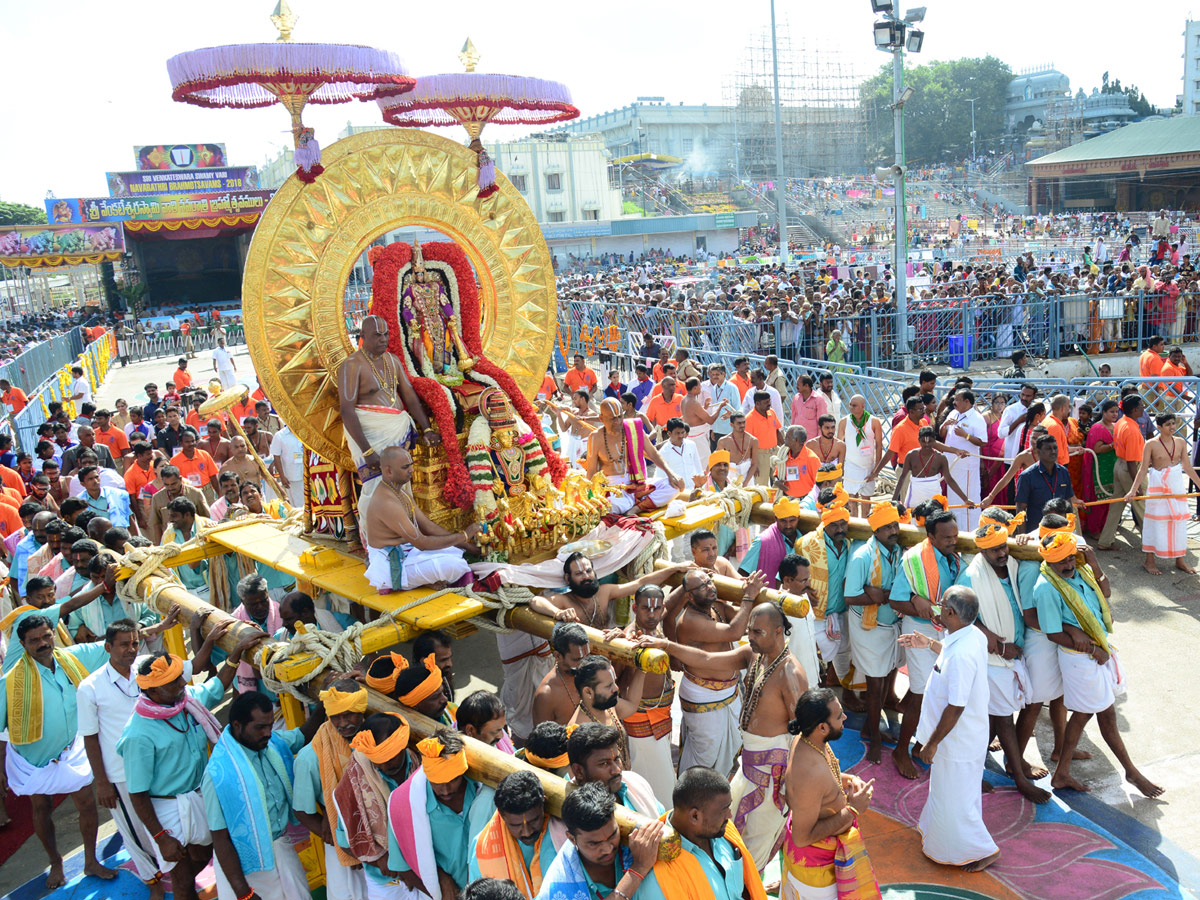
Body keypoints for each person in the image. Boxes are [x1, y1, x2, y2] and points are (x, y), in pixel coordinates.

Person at [645, 603, 806, 872]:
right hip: (748, 766)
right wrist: (667, 645)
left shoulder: (791, 673)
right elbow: (705, 660)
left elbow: (802, 733)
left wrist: (790, 786)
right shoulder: (753, 655)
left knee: (755, 847)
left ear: (778, 632)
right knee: (732, 837)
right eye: (749, 631)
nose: (750, 637)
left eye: (757, 632)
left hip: (772, 777)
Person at [116, 628, 263, 900]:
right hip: (167, 808)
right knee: (182, 880)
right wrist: (161, 837)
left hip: (199, 795)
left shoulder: (186, 700)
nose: (182, 686)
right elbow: (136, 793)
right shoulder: (139, 734)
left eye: (180, 681)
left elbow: (217, 686)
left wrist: (237, 652)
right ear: (151, 690)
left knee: (205, 853)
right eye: (172, 684)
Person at [1032, 532, 1163, 798]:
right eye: (1062, 562)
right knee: (1092, 715)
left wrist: (1094, 562)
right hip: (1080, 659)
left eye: (1071, 558)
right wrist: (1091, 647)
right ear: (1050, 562)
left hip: (1096, 653)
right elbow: (1051, 631)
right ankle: (1128, 771)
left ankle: (1065, 772)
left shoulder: (1081, 570)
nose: (1068, 565)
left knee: (1092, 715)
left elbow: (1106, 593)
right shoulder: (1045, 587)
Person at [0, 615, 114, 889]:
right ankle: (56, 862)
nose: (42, 644)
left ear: (54, 633)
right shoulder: (9, 681)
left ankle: (90, 860)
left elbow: (113, 644)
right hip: (33, 759)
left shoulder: (71, 659)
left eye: (46, 636)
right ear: (22, 644)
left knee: (87, 803)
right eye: (34, 640)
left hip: (72, 749)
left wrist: (156, 628)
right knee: (41, 808)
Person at [900, 586, 998, 870]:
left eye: (942, 606)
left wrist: (931, 744)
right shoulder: (970, 635)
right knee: (946, 792)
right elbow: (951, 657)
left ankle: (982, 850)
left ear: (952, 613)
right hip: (958, 738)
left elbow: (956, 706)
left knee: (957, 800)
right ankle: (937, 837)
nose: (938, 609)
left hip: (958, 741)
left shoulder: (962, 653)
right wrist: (929, 644)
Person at [954, 522, 1050, 803]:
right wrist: (997, 643)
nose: (1001, 552)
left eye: (1004, 546)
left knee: (993, 718)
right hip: (992, 656)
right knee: (1001, 718)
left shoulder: (1014, 566)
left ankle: (979, 769)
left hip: (1012, 654)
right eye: (995, 549)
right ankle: (1018, 775)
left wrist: (1026, 536)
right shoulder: (971, 575)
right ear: (982, 551)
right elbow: (963, 616)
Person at [202, 690, 323, 900]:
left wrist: (325, 700)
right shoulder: (217, 774)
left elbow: (302, 735)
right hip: (247, 868)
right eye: (260, 727)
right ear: (238, 725)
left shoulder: (271, 744)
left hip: (281, 849)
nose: (268, 732)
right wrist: (244, 893)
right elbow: (221, 839)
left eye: (269, 726)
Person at [338, 316, 438, 536]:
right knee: (375, 490)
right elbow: (346, 410)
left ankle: (403, 538)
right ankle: (374, 545)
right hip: (371, 437)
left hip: (396, 432)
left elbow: (409, 396)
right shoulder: (352, 365)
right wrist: (368, 451)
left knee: (402, 486)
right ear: (362, 337)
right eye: (377, 335)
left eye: (386, 334)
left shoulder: (392, 360)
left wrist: (427, 428)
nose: (383, 339)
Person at [780, 689, 880, 900]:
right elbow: (801, 837)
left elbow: (826, 777)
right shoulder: (810, 773)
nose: (845, 718)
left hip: (821, 862)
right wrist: (853, 809)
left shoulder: (807, 739)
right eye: (839, 716)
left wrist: (849, 779)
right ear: (822, 727)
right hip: (816, 874)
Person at [889, 508, 962, 780]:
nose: (953, 540)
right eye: (946, 537)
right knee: (920, 694)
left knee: (938, 692)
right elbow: (896, 601)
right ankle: (900, 750)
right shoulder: (915, 560)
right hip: (920, 632)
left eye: (955, 535)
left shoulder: (953, 558)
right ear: (930, 536)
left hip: (944, 632)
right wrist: (920, 605)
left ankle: (921, 744)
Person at [674, 569, 766, 775]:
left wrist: (749, 595)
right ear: (689, 595)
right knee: (704, 754)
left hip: (730, 690)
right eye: (703, 586)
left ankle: (716, 792)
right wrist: (748, 596)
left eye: (710, 582)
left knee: (731, 745)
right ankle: (690, 795)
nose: (710, 588)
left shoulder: (717, 606)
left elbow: (748, 621)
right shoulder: (689, 621)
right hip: (703, 695)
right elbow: (733, 631)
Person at [386, 729, 497, 898]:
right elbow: (403, 867)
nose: (445, 790)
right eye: (436, 782)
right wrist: (441, 882)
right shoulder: (402, 804)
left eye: (453, 780)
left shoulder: (485, 793)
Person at [292, 680, 372, 900]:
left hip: (380, 837)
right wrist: (341, 840)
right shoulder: (310, 758)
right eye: (336, 716)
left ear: (361, 710)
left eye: (349, 715)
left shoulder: (375, 739)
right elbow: (301, 811)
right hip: (341, 849)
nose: (343, 723)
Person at [364, 447, 478, 592]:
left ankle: (426, 579)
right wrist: (465, 535)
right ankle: (418, 582)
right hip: (390, 564)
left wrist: (465, 544)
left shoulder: (400, 493)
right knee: (455, 565)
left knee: (454, 551)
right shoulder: (387, 502)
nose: (411, 470)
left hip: (407, 551)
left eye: (411, 464)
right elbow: (422, 542)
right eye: (406, 467)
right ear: (389, 471)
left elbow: (428, 526)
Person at [844, 501, 906, 764]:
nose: (893, 530)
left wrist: (884, 595)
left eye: (895, 525)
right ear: (876, 531)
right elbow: (850, 596)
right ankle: (875, 741)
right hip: (867, 627)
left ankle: (871, 728)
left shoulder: (897, 550)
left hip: (891, 624)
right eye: (887, 527)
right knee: (875, 682)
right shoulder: (863, 557)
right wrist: (877, 598)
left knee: (887, 674)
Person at [332, 710, 417, 899]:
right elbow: (345, 841)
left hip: (423, 875)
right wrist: (379, 859)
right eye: (378, 761)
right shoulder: (355, 779)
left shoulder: (419, 768)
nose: (386, 766)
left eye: (391, 757)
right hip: (385, 882)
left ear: (402, 745)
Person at [534, 780, 664, 900]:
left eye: (613, 835)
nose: (608, 849)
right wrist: (638, 869)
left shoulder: (636, 847)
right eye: (594, 843)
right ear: (572, 839)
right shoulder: (557, 887)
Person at [612, 585, 676, 807]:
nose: (651, 615)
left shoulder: (656, 632)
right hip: (641, 725)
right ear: (634, 608)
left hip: (662, 720)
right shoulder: (628, 640)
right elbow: (615, 683)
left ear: (662, 609)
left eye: (657, 609)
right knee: (657, 792)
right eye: (645, 609)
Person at [470, 771, 568, 898]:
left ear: (543, 804)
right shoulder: (482, 848)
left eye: (534, 821)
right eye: (516, 826)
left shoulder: (561, 836)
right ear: (502, 815)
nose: (527, 832)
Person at [530, 551, 685, 631]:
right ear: (568, 578)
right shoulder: (565, 600)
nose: (586, 577)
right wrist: (558, 613)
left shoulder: (604, 593)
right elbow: (536, 601)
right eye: (579, 574)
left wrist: (674, 568)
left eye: (588, 571)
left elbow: (641, 583)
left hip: (607, 656)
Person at [1125, 412, 1200, 574]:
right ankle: (1149, 561)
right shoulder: (1151, 444)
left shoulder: (1180, 442)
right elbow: (1143, 469)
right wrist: (1132, 490)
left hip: (1176, 488)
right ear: (1159, 427)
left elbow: (1187, 467)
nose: (1172, 427)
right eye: (1168, 425)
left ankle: (1180, 559)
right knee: (1154, 524)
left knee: (1178, 524)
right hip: (1157, 489)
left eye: (1173, 423)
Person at [584, 398, 683, 514]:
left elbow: (654, 454)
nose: (618, 422)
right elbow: (591, 471)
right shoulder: (595, 437)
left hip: (635, 483)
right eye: (612, 419)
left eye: (620, 417)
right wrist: (589, 496)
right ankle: (638, 502)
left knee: (674, 486)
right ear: (601, 419)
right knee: (608, 506)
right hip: (611, 487)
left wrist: (671, 474)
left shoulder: (633, 430)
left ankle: (636, 508)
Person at [566, 722, 662, 818]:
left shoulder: (636, 782)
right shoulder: (567, 816)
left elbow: (662, 819)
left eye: (617, 759)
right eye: (604, 764)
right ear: (579, 771)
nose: (616, 770)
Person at [566, 656, 645, 768]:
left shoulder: (607, 704)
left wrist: (642, 669)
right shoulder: (579, 730)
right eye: (609, 686)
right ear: (588, 692)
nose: (616, 688)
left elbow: (631, 706)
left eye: (614, 682)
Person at [1097, 394, 1147, 549]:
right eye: (1141, 406)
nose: (1143, 408)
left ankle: (1105, 541)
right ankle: (1154, 542)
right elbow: (1132, 462)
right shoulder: (1131, 429)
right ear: (1134, 409)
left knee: (1116, 506)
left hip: (1119, 465)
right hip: (1130, 469)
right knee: (1142, 507)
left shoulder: (1121, 422)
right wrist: (1136, 487)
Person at [891, 426, 970, 511]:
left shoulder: (941, 458)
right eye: (923, 442)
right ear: (918, 440)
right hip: (915, 493)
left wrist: (965, 499)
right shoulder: (911, 455)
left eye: (930, 441)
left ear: (935, 440)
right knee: (914, 520)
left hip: (933, 492)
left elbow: (949, 480)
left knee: (934, 520)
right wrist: (894, 500)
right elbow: (902, 477)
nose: (927, 445)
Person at [940, 390, 987, 530]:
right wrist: (944, 424)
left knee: (967, 499)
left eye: (957, 400)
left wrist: (965, 436)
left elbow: (983, 442)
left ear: (967, 402)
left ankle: (969, 532)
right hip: (951, 463)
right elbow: (942, 434)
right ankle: (955, 530)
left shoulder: (977, 418)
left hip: (966, 466)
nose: (954, 403)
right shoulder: (953, 413)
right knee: (953, 499)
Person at [1014, 435, 1079, 533]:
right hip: (1036, 531)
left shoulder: (1064, 472)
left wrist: (1070, 528)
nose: (1053, 451)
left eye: (1055, 448)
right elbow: (1020, 508)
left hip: (1061, 530)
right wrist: (1022, 535)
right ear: (1039, 452)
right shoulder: (1027, 476)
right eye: (1048, 449)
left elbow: (1068, 501)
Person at [532, 623, 592, 727]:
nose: (584, 664)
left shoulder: (594, 671)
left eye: (587, 656)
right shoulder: (546, 695)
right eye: (577, 659)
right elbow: (543, 740)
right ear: (558, 656)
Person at [837, 395, 882, 518]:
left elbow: (879, 446)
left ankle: (865, 525)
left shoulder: (874, 421)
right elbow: (838, 445)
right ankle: (855, 523)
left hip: (868, 466)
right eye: (850, 404)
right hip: (850, 465)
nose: (851, 407)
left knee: (866, 498)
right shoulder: (844, 421)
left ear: (863, 407)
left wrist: (876, 469)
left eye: (854, 405)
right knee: (852, 498)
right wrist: (839, 467)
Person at [1082, 400, 1120, 537]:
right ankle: (1095, 530)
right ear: (1104, 412)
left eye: (1116, 411)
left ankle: (1105, 528)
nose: (1115, 414)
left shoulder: (1115, 426)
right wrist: (1112, 445)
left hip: (1112, 468)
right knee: (1099, 501)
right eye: (1111, 411)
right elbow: (1097, 449)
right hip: (1099, 470)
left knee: (1109, 501)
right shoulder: (1098, 428)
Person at [745, 393, 783, 486]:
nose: (769, 403)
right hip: (760, 456)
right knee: (762, 486)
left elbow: (777, 431)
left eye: (769, 400)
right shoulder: (749, 418)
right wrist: (753, 464)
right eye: (766, 402)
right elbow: (747, 444)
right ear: (757, 404)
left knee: (780, 481)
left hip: (775, 452)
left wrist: (784, 447)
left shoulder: (771, 412)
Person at [776, 426, 820, 500]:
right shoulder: (784, 456)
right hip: (786, 499)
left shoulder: (812, 458)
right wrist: (777, 482)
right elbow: (776, 474)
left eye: (787, 437)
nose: (784, 439)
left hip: (806, 500)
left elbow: (819, 483)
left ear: (796, 440)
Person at [269, 422, 306, 509]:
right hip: (292, 477)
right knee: (299, 505)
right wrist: (282, 476)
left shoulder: (305, 432)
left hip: (308, 474)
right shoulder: (280, 436)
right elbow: (276, 456)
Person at [716, 412, 760, 484]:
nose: (742, 425)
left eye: (744, 422)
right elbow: (718, 461)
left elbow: (754, 464)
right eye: (739, 423)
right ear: (731, 424)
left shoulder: (753, 440)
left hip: (747, 476)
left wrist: (745, 482)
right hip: (729, 476)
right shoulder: (723, 441)